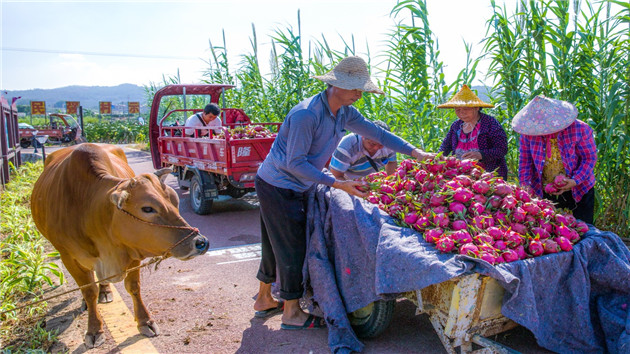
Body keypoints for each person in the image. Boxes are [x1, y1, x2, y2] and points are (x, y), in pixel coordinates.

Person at [253, 56, 433, 329]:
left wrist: (414, 151)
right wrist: (338, 184)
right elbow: (295, 163)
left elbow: (379, 134)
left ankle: (264, 299)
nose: (359, 94)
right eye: (354, 88)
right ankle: (291, 314)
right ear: (335, 86)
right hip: (279, 184)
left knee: (275, 241)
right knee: (292, 246)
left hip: (299, 182)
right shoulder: (306, 115)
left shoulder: (346, 113)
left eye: (362, 89)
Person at [512, 95, 597, 224]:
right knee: (553, 231)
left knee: (582, 230)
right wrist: (526, 187)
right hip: (544, 190)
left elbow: (589, 158)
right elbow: (525, 162)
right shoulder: (529, 133)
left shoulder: (580, 129)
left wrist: (574, 180)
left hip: (579, 189)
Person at [437, 85, 508, 179]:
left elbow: (501, 149)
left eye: (466, 109)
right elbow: (445, 146)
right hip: (461, 176)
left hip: (487, 177)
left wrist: (481, 155)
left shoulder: (490, 123)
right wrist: (438, 157)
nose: (461, 113)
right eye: (457, 110)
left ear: (477, 107)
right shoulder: (456, 126)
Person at [329, 120, 398, 180]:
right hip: (347, 180)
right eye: (372, 144)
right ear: (363, 136)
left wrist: (391, 181)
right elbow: (336, 176)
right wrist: (352, 190)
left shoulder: (388, 144)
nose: (376, 148)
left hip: (368, 181)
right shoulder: (347, 146)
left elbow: (392, 162)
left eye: (380, 145)